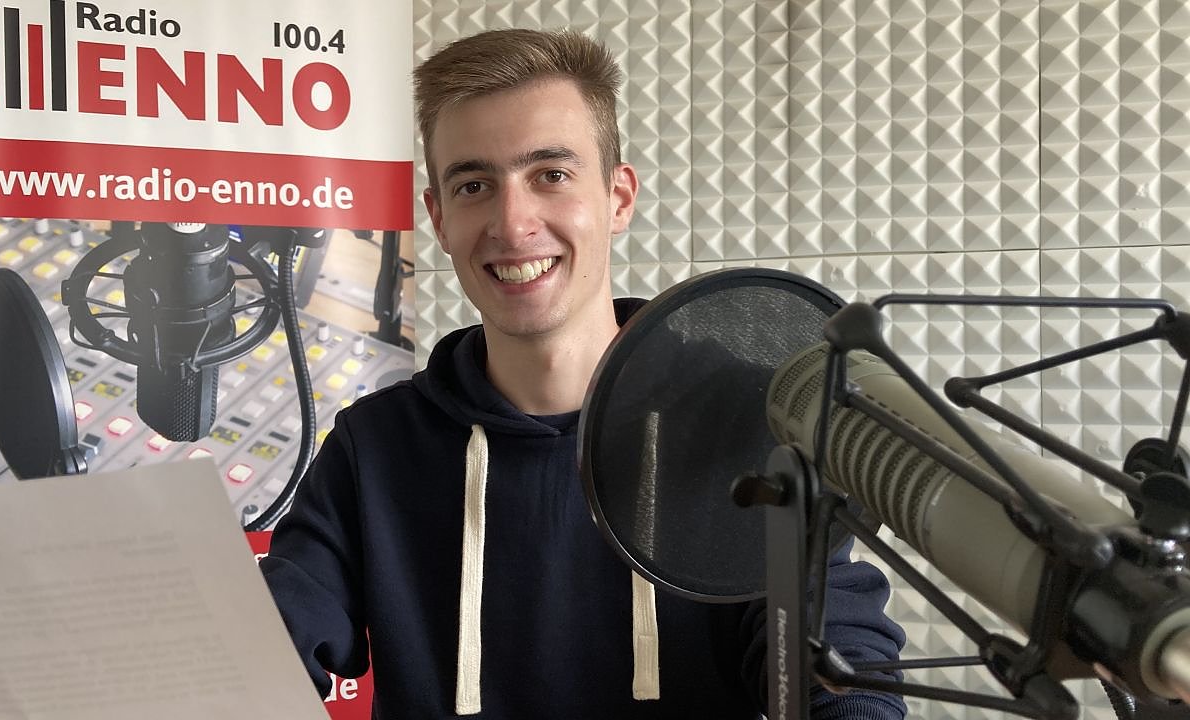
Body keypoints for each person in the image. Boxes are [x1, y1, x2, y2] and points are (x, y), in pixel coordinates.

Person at [261, 28, 907, 719]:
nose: (512, 224)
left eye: (551, 175)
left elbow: (830, 642)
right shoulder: (375, 446)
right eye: (474, 185)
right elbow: (273, 634)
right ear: (439, 219)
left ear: (617, 198)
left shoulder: (742, 423)